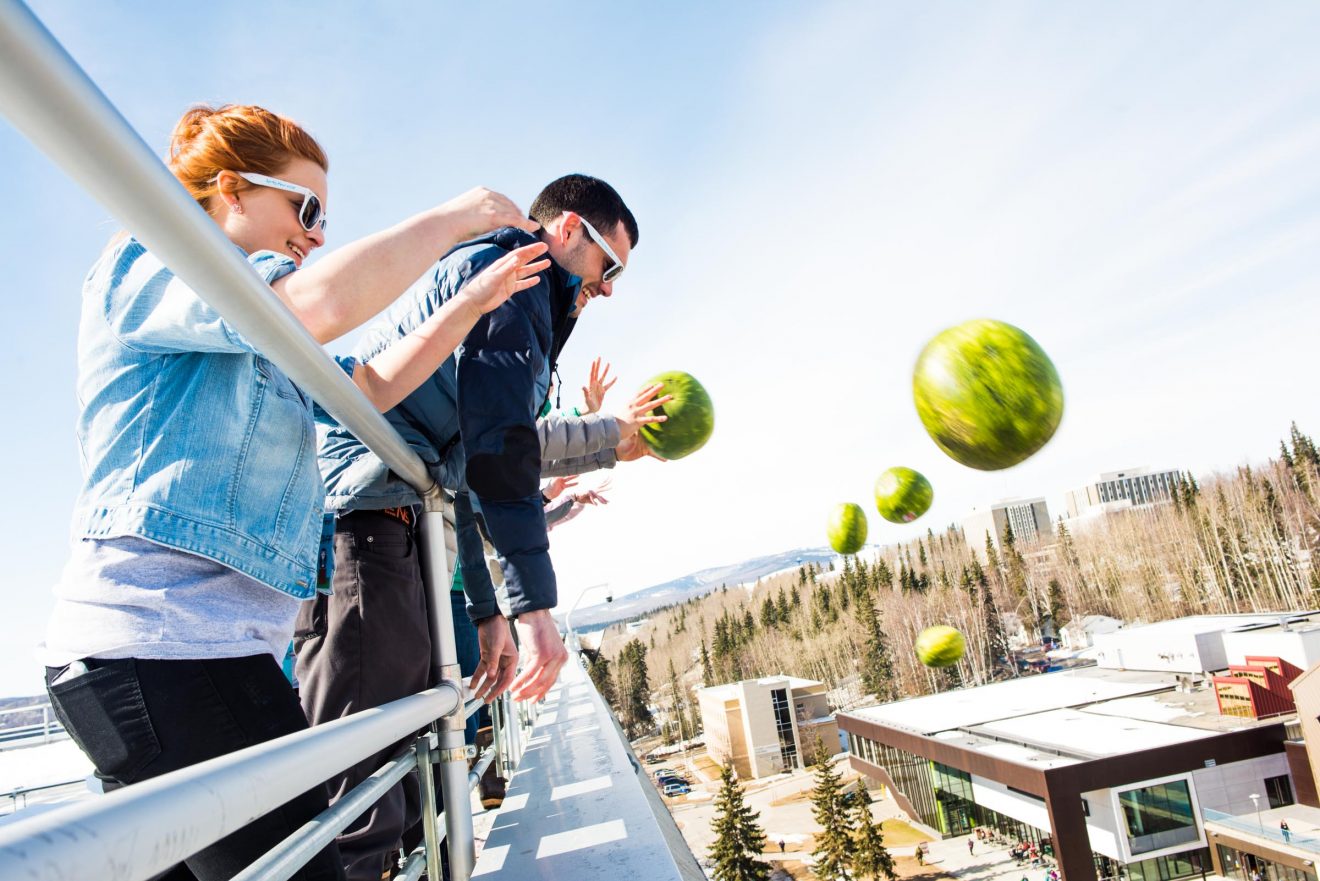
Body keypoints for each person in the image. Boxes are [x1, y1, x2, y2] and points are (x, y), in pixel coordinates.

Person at [39, 103, 546, 881]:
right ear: (232, 190)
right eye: (304, 208)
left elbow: (366, 387)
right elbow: (312, 306)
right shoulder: (152, 259)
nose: (315, 235)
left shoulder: (250, 335)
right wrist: (450, 221)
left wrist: (469, 305)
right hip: (166, 649)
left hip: (168, 656)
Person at [301, 174, 642, 880]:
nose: (608, 289)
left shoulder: (530, 305)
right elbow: (502, 448)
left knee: (400, 763)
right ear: (570, 229)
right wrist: (532, 609)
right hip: (361, 522)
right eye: (609, 266)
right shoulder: (515, 277)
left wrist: (490, 610)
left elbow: (460, 468)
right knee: (361, 781)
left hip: (400, 521)